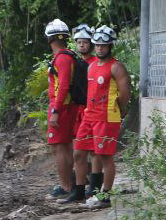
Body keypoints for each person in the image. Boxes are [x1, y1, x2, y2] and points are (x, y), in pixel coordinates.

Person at [73, 25, 131, 209]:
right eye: (97, 45)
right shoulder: (91, 67)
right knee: (79, 152)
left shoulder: (116, 67)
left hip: (107, 117)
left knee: (105, 157)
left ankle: (104, 196)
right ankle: (81, 191)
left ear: (110, 46)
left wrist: (120, 110)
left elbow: (125, 93)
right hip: (90, 116)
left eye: (103, 46)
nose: (99, 48)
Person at [43, 19, 83, 201]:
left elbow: (64, 85)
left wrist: (56, 111)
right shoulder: (65, 56)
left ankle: (66, 186)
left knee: (60, 148)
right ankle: (69, 185)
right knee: (64, 147)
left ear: (49, 38)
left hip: (63, 108)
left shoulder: (63, 58)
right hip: (64, 107)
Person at [72, 24, 104, 197]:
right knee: (79, 150)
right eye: (79, 42)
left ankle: (95, 187)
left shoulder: (96, 64)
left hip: (94, 111)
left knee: (95, 150)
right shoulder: (76, 63)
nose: (82, 45)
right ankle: (78, 188)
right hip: (81, 112)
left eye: (85, 42)